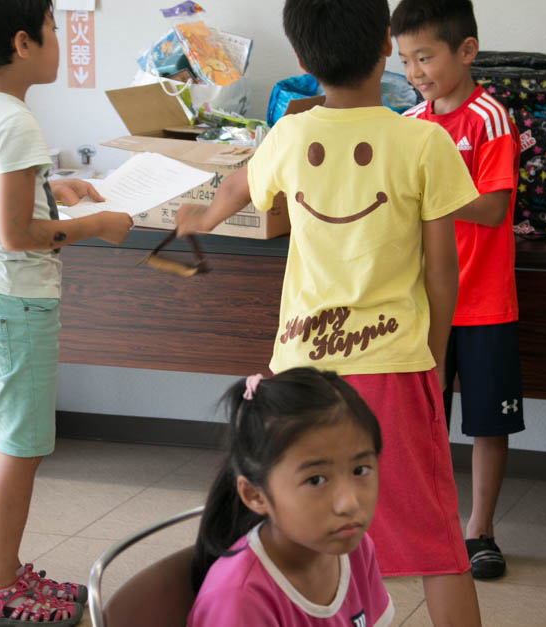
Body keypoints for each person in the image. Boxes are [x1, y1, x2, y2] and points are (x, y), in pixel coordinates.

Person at [176, 0, 482, 622]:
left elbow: (238, 183)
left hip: (301, 375)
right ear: (383, 51)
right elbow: (440, 267)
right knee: (436, 541)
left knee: (306, 524)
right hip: (395, 363)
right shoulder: (423, 140)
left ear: (300, 60)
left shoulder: (290, 134)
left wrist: (200, 218)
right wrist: (439, 348)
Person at [0, 1, 133, 624]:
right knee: (21, 447)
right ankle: (0, 590)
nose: (59, 40)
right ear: (24, 42)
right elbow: (17, 233)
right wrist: (98, 225)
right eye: (54, 30)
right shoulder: (19, 122)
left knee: (0, 440)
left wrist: (57, 188)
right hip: (14, 299)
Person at [393, 0, 523, 579]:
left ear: (466, 51)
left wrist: (432, 194)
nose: (415, 71)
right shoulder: (409, 125)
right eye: (404, 59)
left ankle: (480, 531)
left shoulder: (489, 118)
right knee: (425, 419)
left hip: (485, 301)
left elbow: (494, 209)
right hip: (423, 303)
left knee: (488, 422)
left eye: (425, 56)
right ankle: (432, 526)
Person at [188, 368, 393, 626]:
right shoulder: (240, 600)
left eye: (359, 470)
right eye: (316, 479)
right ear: (255, 495)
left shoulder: (354, 547)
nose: (349, 504)